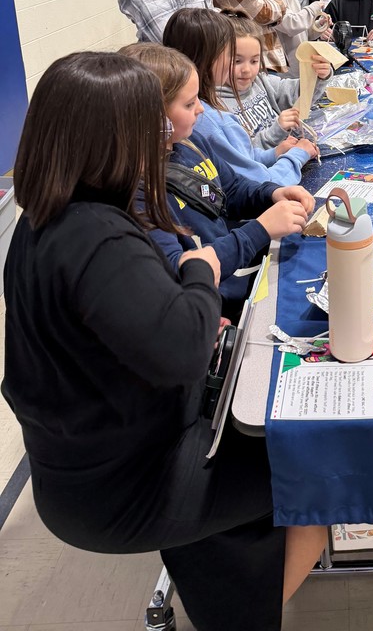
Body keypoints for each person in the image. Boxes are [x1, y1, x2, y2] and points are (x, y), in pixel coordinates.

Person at [1, 51, 326, 631]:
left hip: (84, 467)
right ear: (116, 137)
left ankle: (221, 580)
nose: (169, 135)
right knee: (318, 468)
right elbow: (183, 346)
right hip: (124, 483)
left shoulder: (43, 221)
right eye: (152, 125)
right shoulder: (97, 237)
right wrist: (201, 271)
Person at [120, 41, 314, 309]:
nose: (201, 109)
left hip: (240, 271)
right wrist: (260, 230)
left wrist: (272, 192)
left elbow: (231, 189)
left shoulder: (191, 142)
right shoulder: (138, 191)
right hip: (216, 300)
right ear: (153, 116)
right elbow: (180, 270)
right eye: (189, 104)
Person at [163, 8, 317, 185]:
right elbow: (261, 185)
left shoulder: (206, 111)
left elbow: (245, 157)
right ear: (207, 58)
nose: (242, 68)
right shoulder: (209, 119)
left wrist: (274, 154)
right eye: (231, 56)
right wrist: (298, 155)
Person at [217, 12, 330, 150]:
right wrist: (276, 131)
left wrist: (318, 76)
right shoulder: (216, 108)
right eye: (237, 61)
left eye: (254, 61)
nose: (247, 69)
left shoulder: (261, 81)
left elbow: (299, 95)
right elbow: (242, 157)